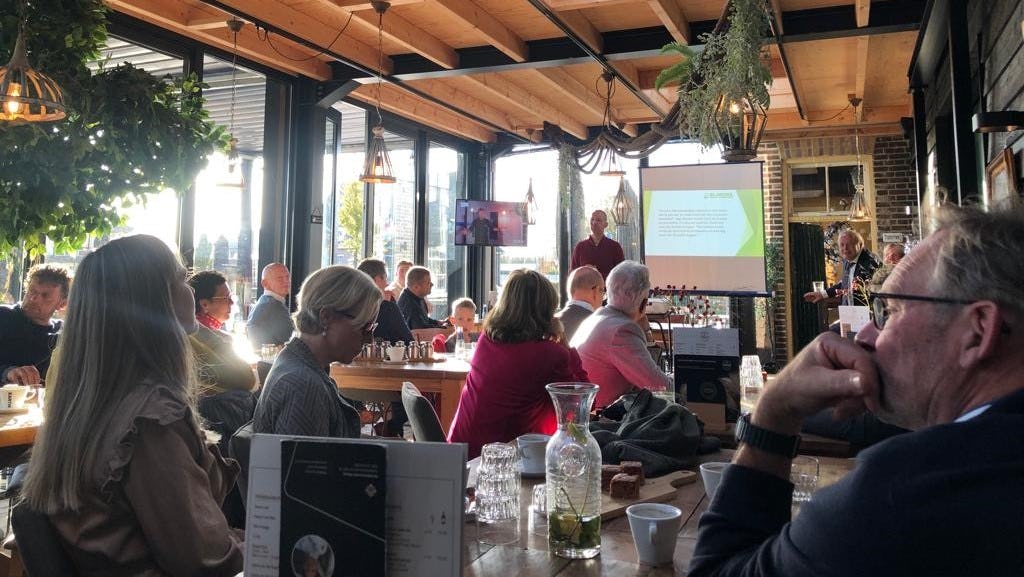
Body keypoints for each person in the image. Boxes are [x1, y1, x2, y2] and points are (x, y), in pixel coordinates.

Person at [689, 205, 1024, 576]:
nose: (865, 335)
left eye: (890, 311)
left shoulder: (901, 496)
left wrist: (772, 415)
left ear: (977, 331)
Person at [21, 235, 244, 575]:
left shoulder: (85, 405)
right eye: (182, 279)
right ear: (155, 301)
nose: (190, 290)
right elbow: (206, 562)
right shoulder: (151, 419)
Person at [447, 269, 588, 459]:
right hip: (503, 462)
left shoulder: (486, 341)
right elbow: (583, 403)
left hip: (460, 452)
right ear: (546, 311)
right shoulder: (549, 354)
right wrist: (565, 344)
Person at [253, 265, 381, 438]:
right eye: (365, 327)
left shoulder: (295, 364)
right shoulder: (304, 387)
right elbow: (308, 465)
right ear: (326, 317)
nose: (369, 340)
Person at [571, 260, 671, 409]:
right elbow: (662, 388)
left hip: (584, 413)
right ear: (643, 303)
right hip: (602, 422)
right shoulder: (622, 331)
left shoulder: (596, 318)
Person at [188, 270, 256, 394]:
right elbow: (246, 379)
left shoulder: (197, 330)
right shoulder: (207, 337)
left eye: (232, 297)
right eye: (227, 298)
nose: (232, 302)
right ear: (204, 304)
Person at [0, 264, 69, 385]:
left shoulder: (63, 334)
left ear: (62, 304)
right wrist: (7, 372)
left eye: (45, 296)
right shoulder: (3, 316)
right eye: (32, 291)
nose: (33, 299)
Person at [803, 229, 880, 307]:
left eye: (849, 244)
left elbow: (863, 290)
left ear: (860, 245)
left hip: (867, 312)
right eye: (842, 245)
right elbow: (845, 283)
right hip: (851, 311)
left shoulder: (870, 262)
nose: (845, 248)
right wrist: (822, 294)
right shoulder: (848, 258)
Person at [356, 258, 413, 344]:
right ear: (377, 279)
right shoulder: (387, 307)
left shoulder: (349, 306)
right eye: (385, 278)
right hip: (386, 356)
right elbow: (408, 341)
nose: (387, 284)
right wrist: (387, 304)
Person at [247, 262, 293, 348]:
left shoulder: (263, 302)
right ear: (265, 283)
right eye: (280, 278)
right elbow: (293, 342)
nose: (286, 281)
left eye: (287, 277)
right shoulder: (274, 307)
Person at [570, 210, 625, 279]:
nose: (594, 222)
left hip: (607, 289)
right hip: (585, 289)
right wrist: (585, 271)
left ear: (606, 225)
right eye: (592, 219)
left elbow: (621, 274)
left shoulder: (615, 247)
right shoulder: (580, 247)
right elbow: (573, 274)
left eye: (598, 220)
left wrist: (597, 274)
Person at [555, 265, 604, 342]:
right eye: (602, 292)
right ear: (596, 291)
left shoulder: (551, 323)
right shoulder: (600, 325)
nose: (603, 298)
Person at [396, 266, 448, 330]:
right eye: (428, 282)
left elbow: (423, 320)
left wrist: (438, 323)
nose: (432, 284)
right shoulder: (409, 304)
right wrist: (443, 328)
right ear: (416, 287)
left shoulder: (417, 297)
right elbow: (421, 329)